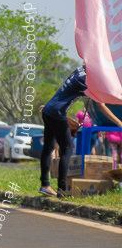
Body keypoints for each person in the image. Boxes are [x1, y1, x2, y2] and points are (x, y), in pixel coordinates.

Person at [39, 64, 122, 196]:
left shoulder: (80, 70)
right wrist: (119, 122)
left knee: (48, 148)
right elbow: (101, 105)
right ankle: (62, 189)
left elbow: (63, 92)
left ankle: (45, 185)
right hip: (57, 113)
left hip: (49, 109)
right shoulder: (89, 81)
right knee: (67, 149)